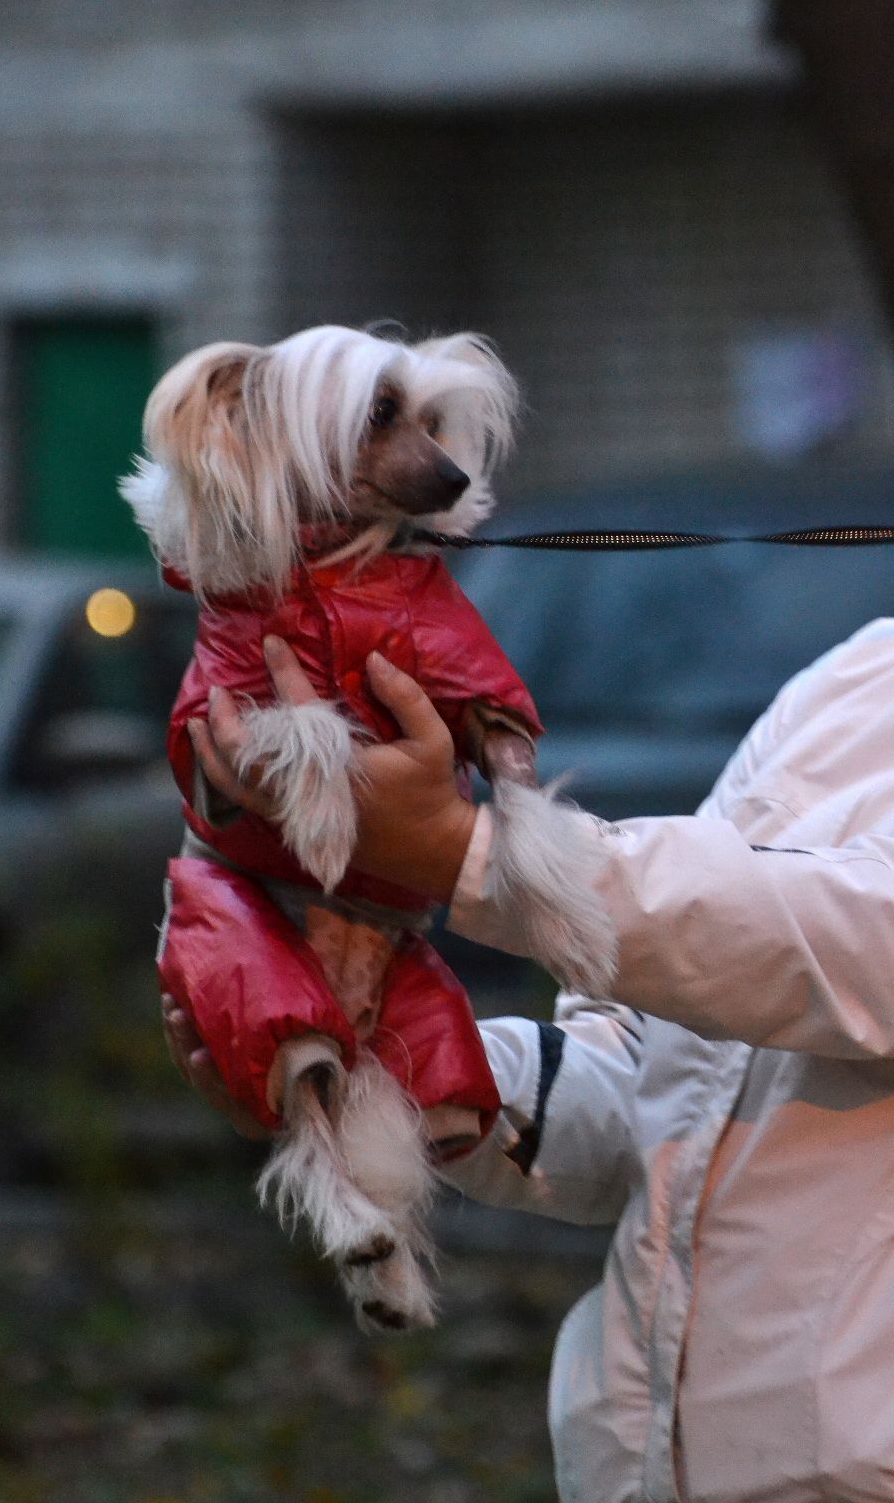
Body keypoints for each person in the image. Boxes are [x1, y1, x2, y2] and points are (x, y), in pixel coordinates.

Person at [163, 627, 894, 1503]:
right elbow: (647, 1085)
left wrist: (470, 852)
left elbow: (863, 947)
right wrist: (380, 1069)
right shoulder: (854, 679)